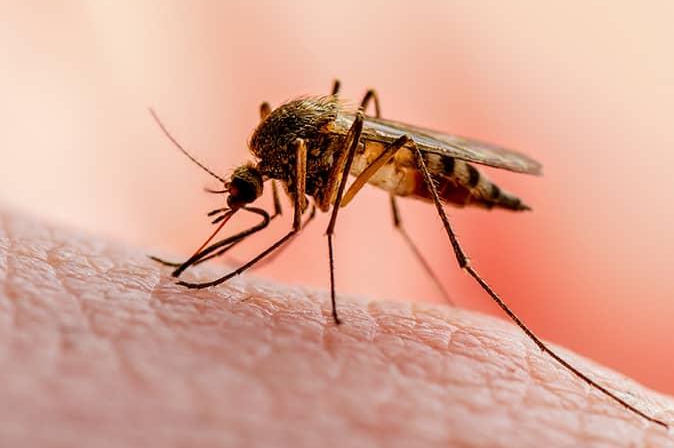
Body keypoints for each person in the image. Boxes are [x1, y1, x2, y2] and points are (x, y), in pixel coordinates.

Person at [1, 208, 671, 447]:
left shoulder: (300, 152)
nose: (241, 201)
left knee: (313, 211)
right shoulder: (279, 151)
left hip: (396, 153)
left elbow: (297, 222)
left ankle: (464, 271)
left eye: (241, 192)